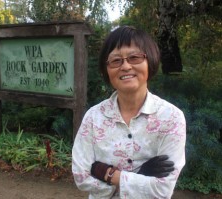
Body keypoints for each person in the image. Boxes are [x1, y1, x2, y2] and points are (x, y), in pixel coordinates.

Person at [72, 25, 186, 199]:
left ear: (150, 61)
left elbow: (162, 189)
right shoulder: (93, 118)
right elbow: (81, 176)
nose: (125, 66)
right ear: (106, 69)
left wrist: (106, 174)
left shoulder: (171, 118)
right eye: (116, 60)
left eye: (134, 57)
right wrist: (142, 177)